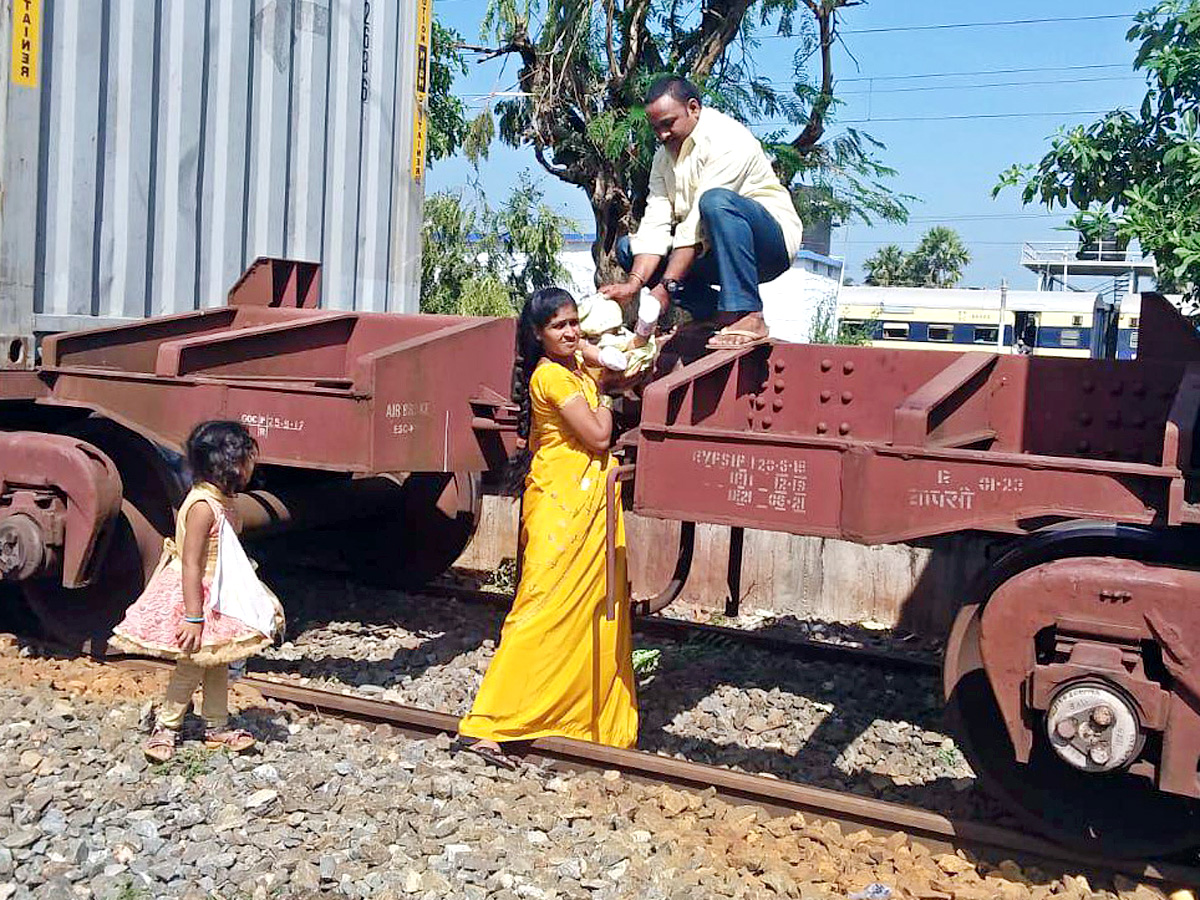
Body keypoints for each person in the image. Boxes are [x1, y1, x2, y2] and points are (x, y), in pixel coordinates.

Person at [456, 287, 639, 767]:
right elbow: (599, 435)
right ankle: (490, 724)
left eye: (575, 322)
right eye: (560, 326)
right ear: (538, 335)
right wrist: (609, 397)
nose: (572, 332)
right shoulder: (551, 379)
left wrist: (606, 354)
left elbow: (617, 362)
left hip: (583, 503)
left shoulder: (574, 367)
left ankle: (573, 716)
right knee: (541, 608)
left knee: (588, 613)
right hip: (561, 508)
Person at [111, 420, 284, 762]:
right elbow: (190, 564)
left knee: (218, 661)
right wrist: (193, 616)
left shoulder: (223, 500)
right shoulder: (203, 505)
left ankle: (216, 725)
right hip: (197, 593)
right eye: (248, 458)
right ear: (229, 463)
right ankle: (167, 724)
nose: (253, 465)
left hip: (217, 589)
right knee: (191, 664)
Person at [600, 76, 805, 350]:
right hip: (712, 251)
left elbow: (695, 225)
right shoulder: (663, 159)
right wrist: (633, 285)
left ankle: (748, 314)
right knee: (630, 248)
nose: (662, 134)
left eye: (668, 124)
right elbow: (655, 226)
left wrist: (665, 287)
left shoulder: (728, 138)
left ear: (693, 108)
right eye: (655, 128)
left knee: (715, 202)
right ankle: (710, 315)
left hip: (767, 247)